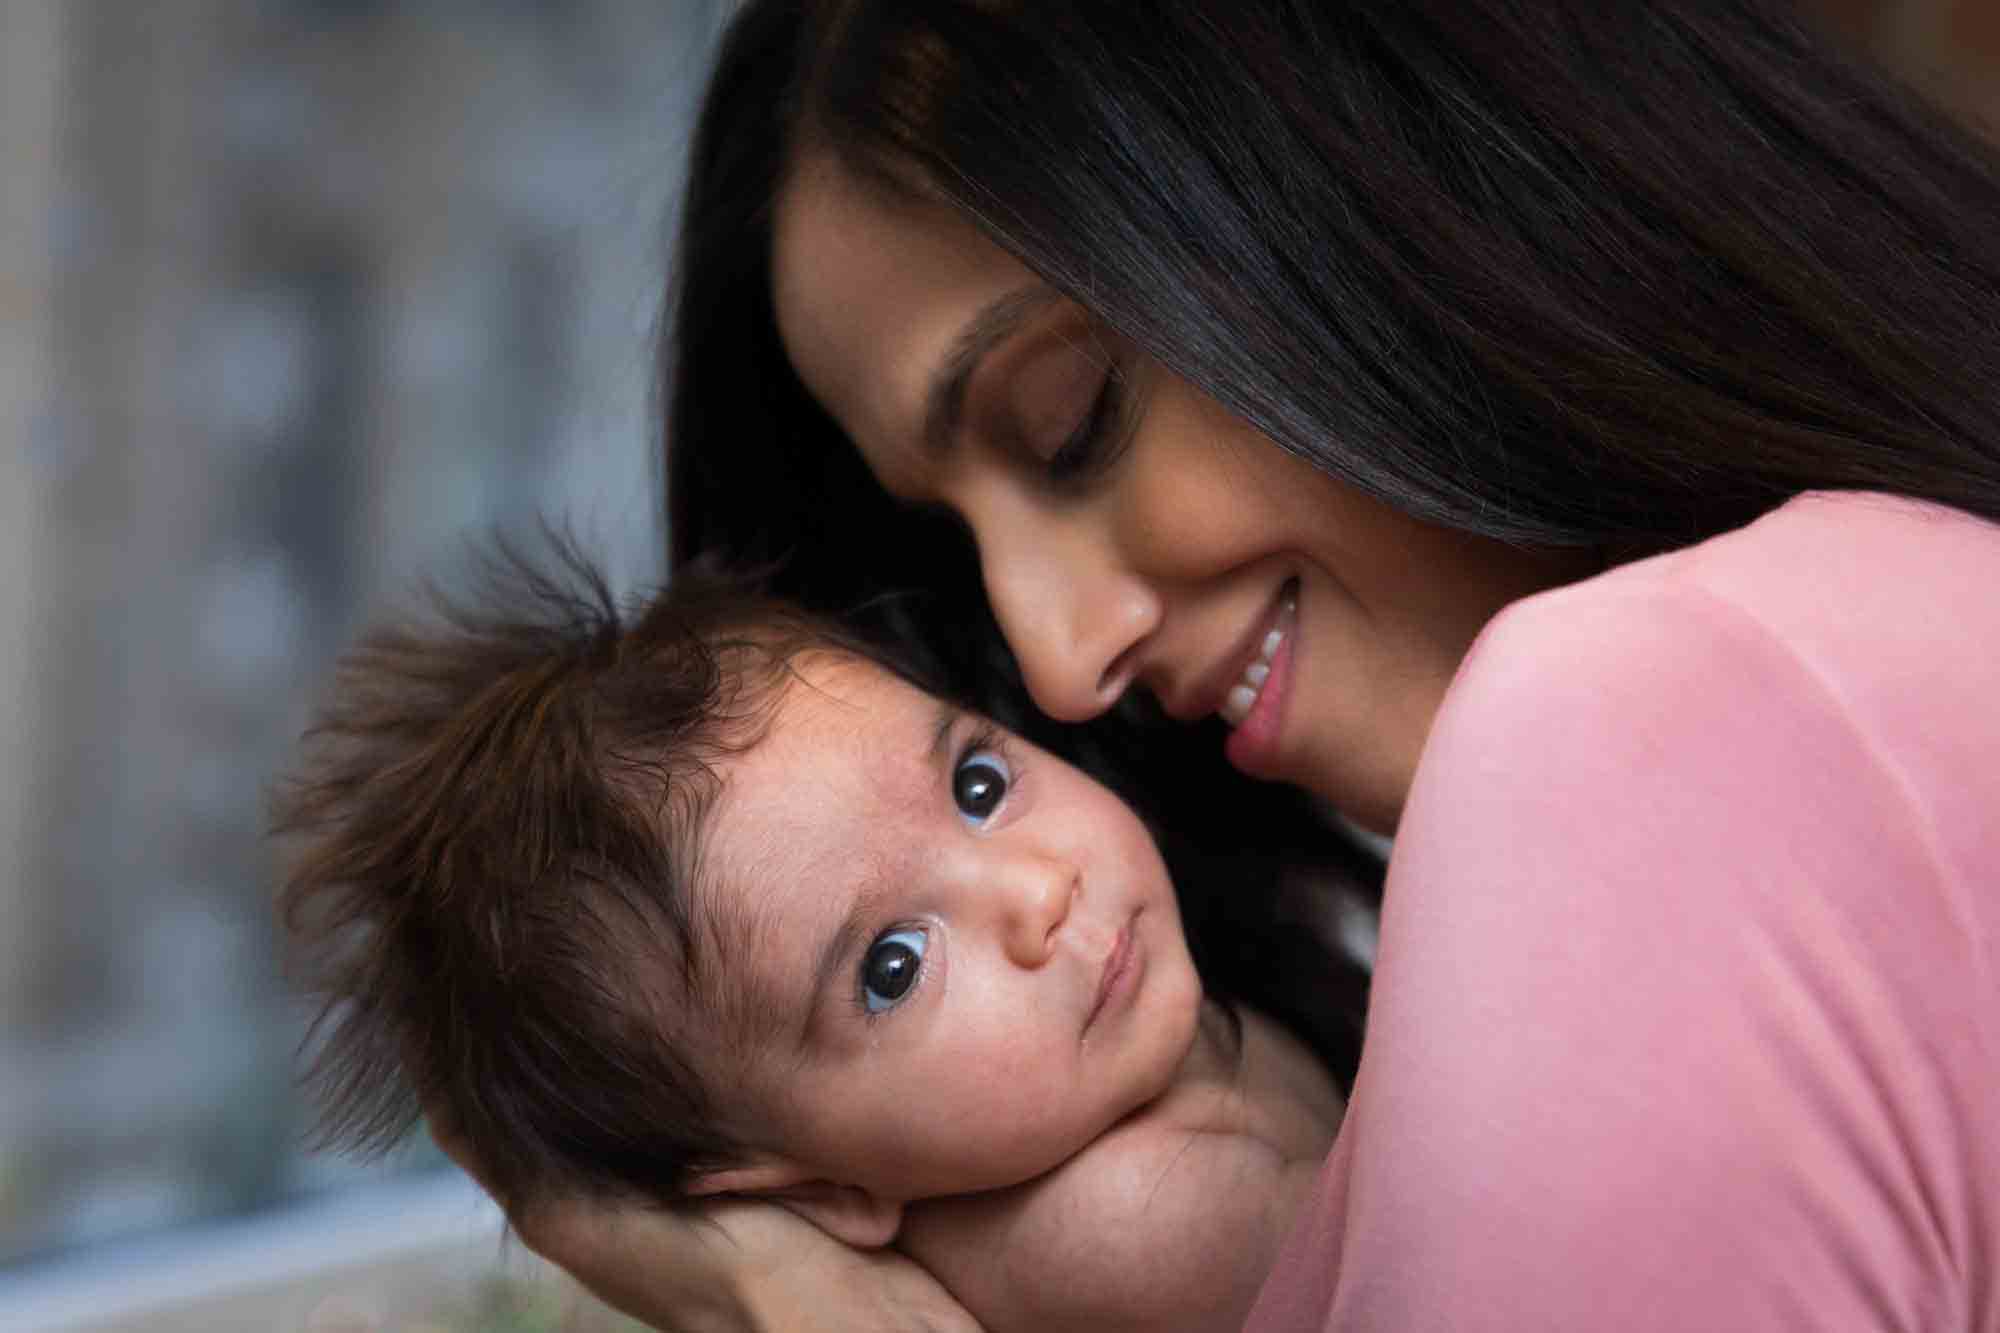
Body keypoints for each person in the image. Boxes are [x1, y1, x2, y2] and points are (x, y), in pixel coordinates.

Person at [467, 0, 2000, 1328]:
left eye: (1073, 423)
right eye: (961, 558)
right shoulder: (1886, 611)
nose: (1062, 672)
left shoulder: (1623, 731)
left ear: (1374, 177)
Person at [274, 555, 1348, 1333]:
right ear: (821, 1193)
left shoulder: (1116, 1048)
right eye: (894, 965)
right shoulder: (1132, 1228)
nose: (1036, 891)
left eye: (977, 784)